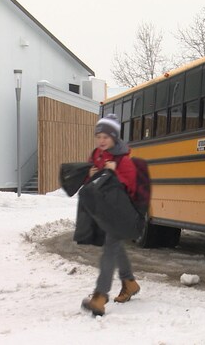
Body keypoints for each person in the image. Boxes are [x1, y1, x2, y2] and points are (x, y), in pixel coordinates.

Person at [80, 113, 141, 316]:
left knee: (110, 249)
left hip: (122, 212)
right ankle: (129, 282)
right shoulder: (96, 155)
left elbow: (130, 189)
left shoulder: (123, 160)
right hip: (105, 210)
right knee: (115, 246)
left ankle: (100, 296)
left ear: (114, 137)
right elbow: (95, 184)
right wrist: (89, 176)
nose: (101, 140)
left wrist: (115, 173)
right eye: (99, 136)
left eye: (106, 136)